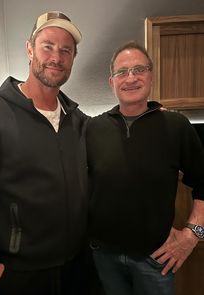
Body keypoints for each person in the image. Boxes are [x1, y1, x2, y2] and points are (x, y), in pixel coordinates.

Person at [0, 10, 89, 295]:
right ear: (30, 49)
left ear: (73, 58)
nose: (56, 58)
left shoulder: (80, 121)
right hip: (16, 275)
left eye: (66, 50)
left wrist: (149, 112)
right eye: (47, 46)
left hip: (75, 269)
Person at [86, 41, 204, 295]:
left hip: (156, 259)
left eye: (139, 69)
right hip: (102, 259)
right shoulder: (92, 129)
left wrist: (191, 236)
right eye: (122, 72)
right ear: (111, 82)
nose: (131, 78)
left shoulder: (176, 126)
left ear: (151, 76)